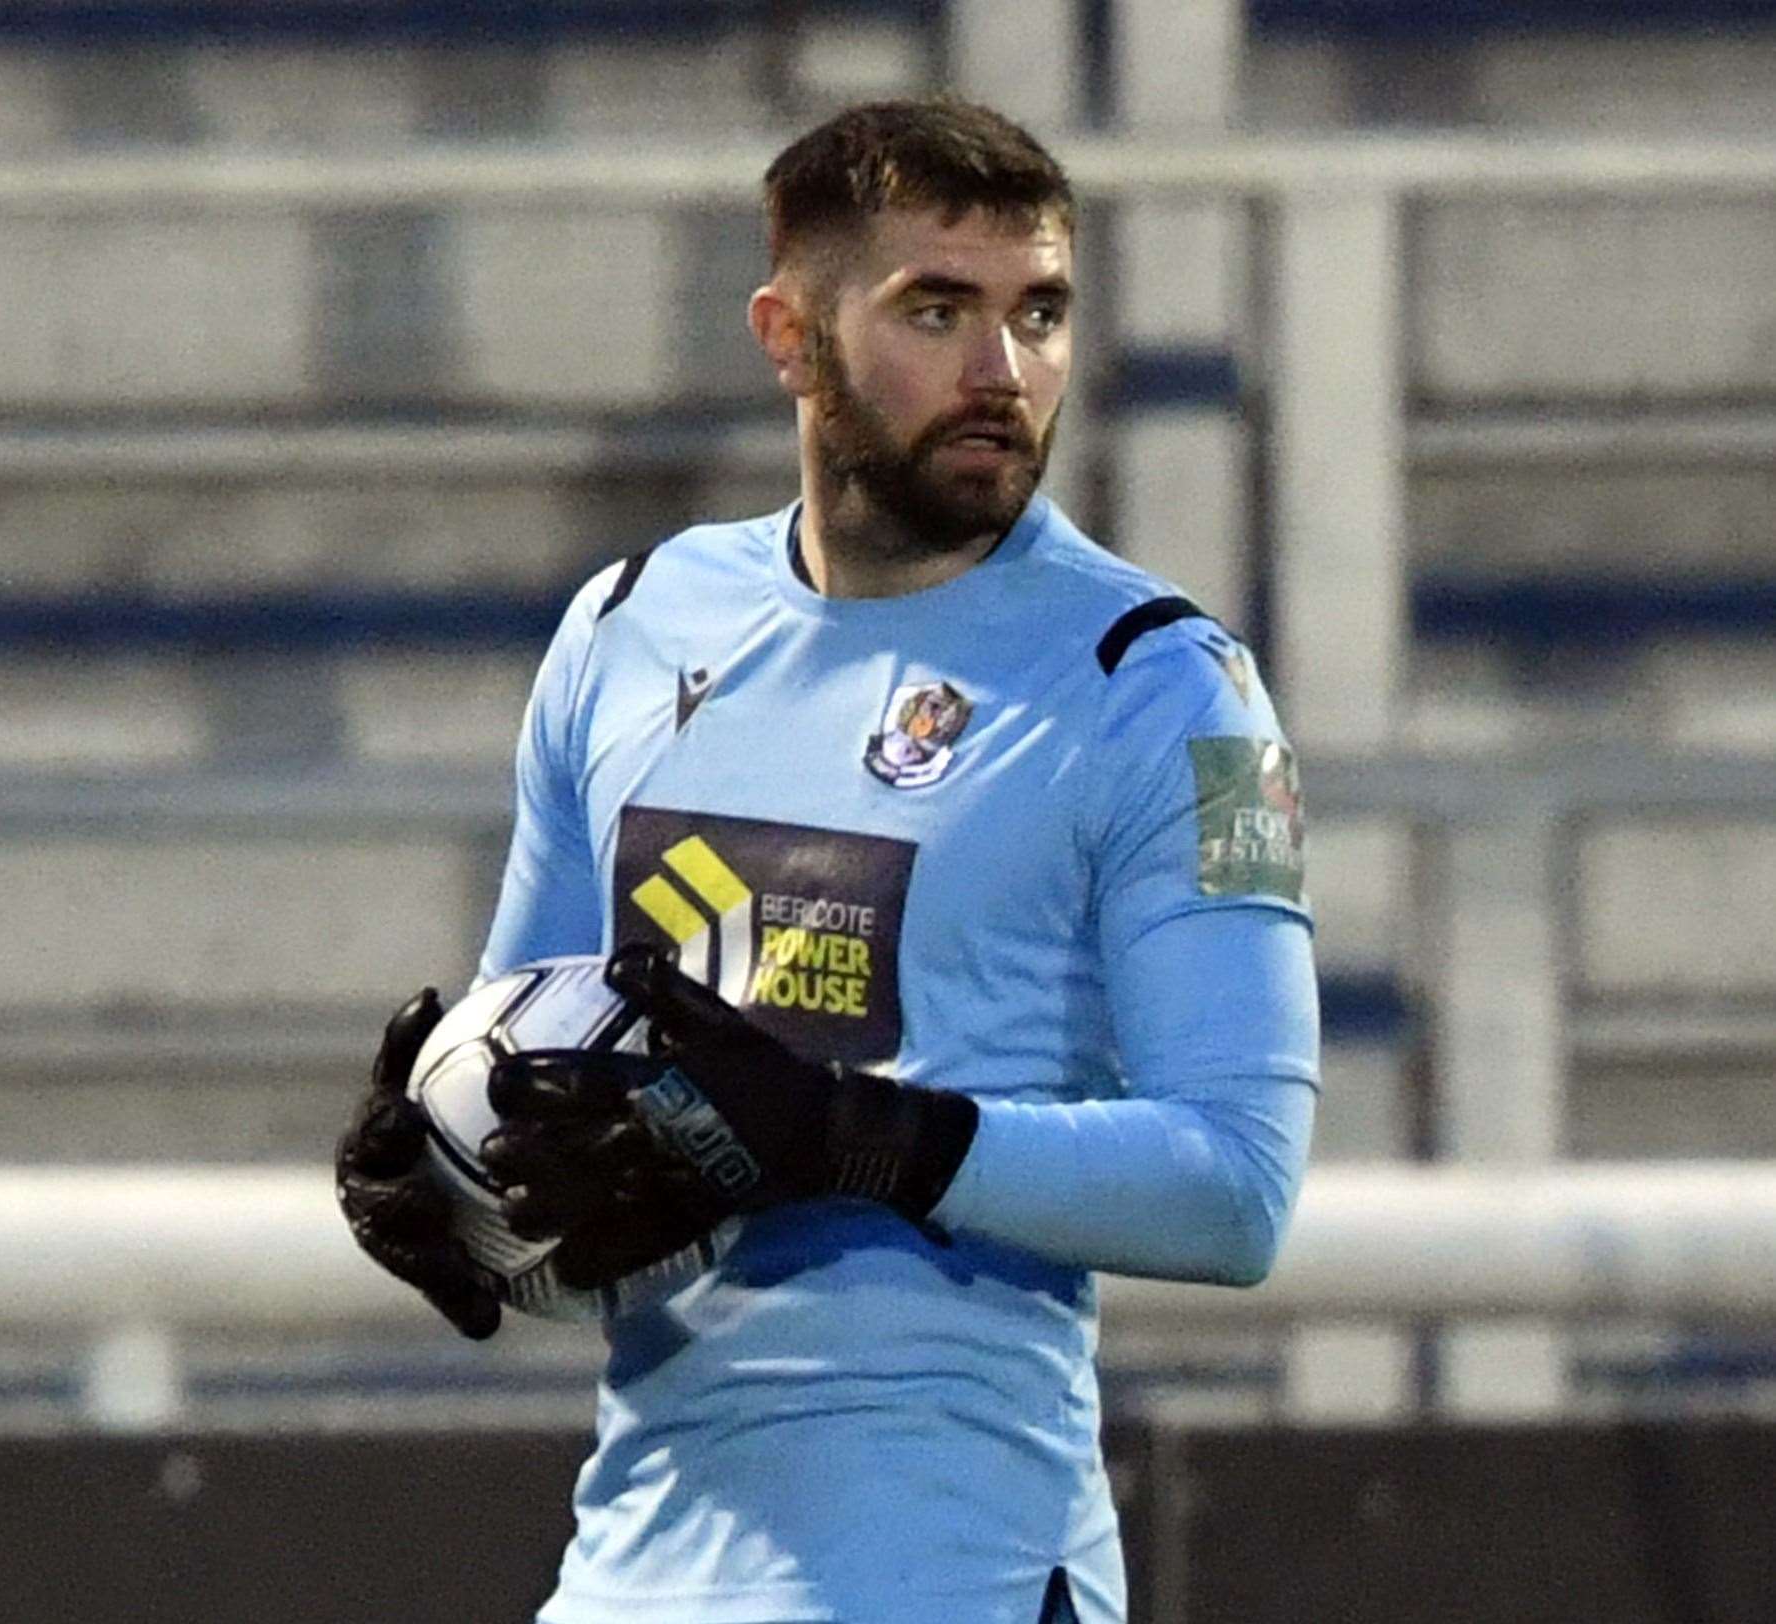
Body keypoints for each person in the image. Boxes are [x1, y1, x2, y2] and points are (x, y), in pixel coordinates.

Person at [336, 98, 1319, 1624]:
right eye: (939, 310)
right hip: (636, 1577)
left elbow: (1237, 1189)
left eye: (1040, 314)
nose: (1004, 372)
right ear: (789, 338)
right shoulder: (628, 625)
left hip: (962, 1576)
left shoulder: (1168, 687)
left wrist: (857, 1136)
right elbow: (551, 1108)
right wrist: (443, 1199)